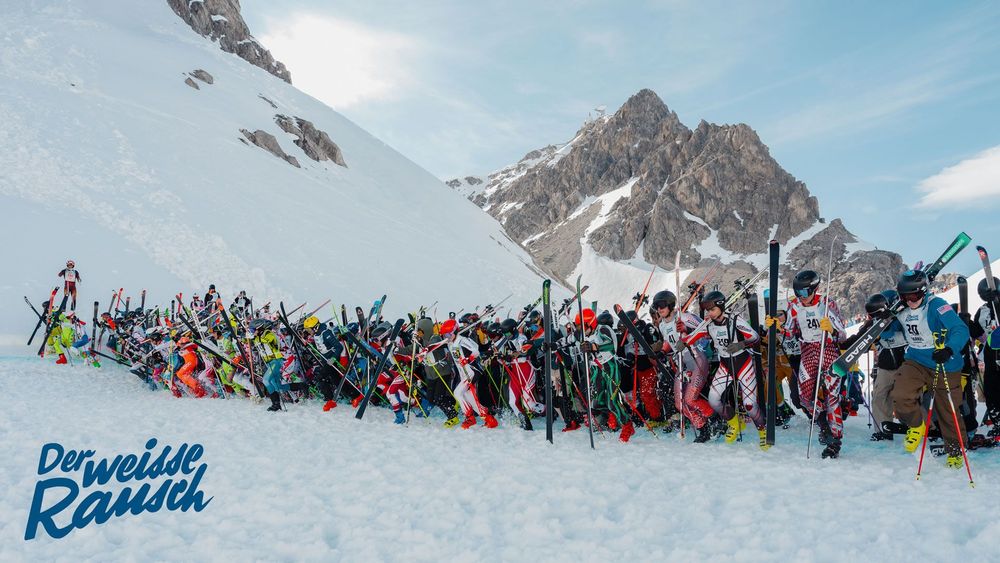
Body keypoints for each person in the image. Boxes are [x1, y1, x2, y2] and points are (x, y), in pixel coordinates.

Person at [888, 270, 971, 469]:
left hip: (944, 363)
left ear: (924, 292)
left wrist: (950, 348)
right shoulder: (901, 309)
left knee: (948, 410)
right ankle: (917, 425)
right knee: (900, 395)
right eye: (905, 296)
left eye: (914, 296)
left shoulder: (937, 306)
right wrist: (886, 318)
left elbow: (960, 329)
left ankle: (956, 449)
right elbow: (890, 332)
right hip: (916, 359)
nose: (909, 301)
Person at [681, 290, 768, 450]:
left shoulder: (734, 319)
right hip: (725, 365)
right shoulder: (708, 324)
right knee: (713, 399)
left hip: (743, 363)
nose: (710, 313)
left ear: (721, 307)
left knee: (749, 405)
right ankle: (734, 423)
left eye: (712, 309)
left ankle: (763, 431)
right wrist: (683, 342)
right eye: (708, 310)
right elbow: (693, 335)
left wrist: (741, 344)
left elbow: (754, 337)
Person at [781, 270, 847, 459]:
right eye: (798, 293)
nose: (801, 298)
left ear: (814, 289)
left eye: (804, 293)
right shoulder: (794, 306)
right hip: (808, 351)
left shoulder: (827, 303)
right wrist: (777, 325)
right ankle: (823, 423)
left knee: (832, 397)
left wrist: (832, 329)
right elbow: (790, 331)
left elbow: (842, 334)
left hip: (828, 351)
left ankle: (835, 440)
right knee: (803, 396)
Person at [652, 290, 713, 442]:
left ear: (670, 304)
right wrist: (663, 352)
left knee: (690, 399)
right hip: (683, 364)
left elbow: (706, 330)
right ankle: (702, 426)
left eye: (662, 305)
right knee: (680, 404)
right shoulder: (662, 326)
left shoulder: (683, 317)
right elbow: (668, 342)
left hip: (697, 359)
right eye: (656, 306)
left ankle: (715, 420)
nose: (659, 309)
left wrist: (687, 331)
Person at [970, 277, 1000, 438]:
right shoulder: (982, 310)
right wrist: (968, 323)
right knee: (991, 391)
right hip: (990, 355)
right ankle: (998, 422)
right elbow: (979, 334)